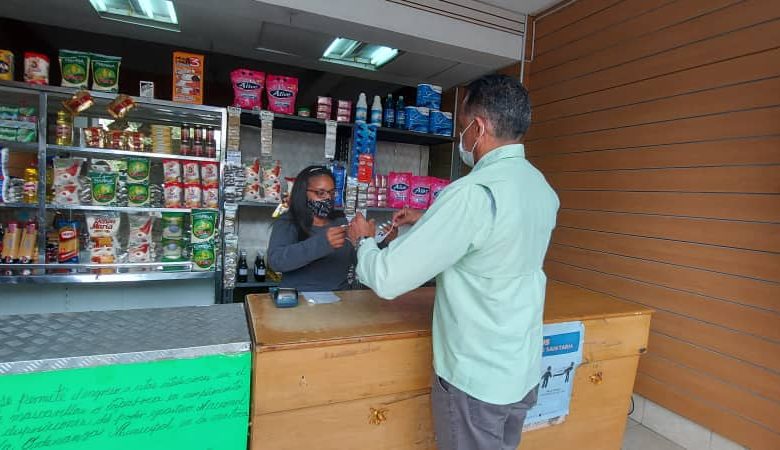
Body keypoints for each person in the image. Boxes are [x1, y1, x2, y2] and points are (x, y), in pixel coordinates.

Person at [348, 74, 559, 450]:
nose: (462, 138)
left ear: (479, 127)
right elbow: (495, 244)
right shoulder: (539, 187)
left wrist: (364, 241)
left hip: (476, 377)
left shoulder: (472, 193)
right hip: (520, 368)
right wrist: (429, 220)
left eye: (463, 128)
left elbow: (387, 277)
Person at [266, 166, 353, 291]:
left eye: (332, 193)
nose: (328, 198)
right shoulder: (288, 222)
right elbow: (276, 261)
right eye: (320, 193)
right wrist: (323, 243)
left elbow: (359, 261)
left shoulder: (340, 222)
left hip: (339, 298)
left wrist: (368, 241)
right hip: (300, 297)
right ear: (303, 193)